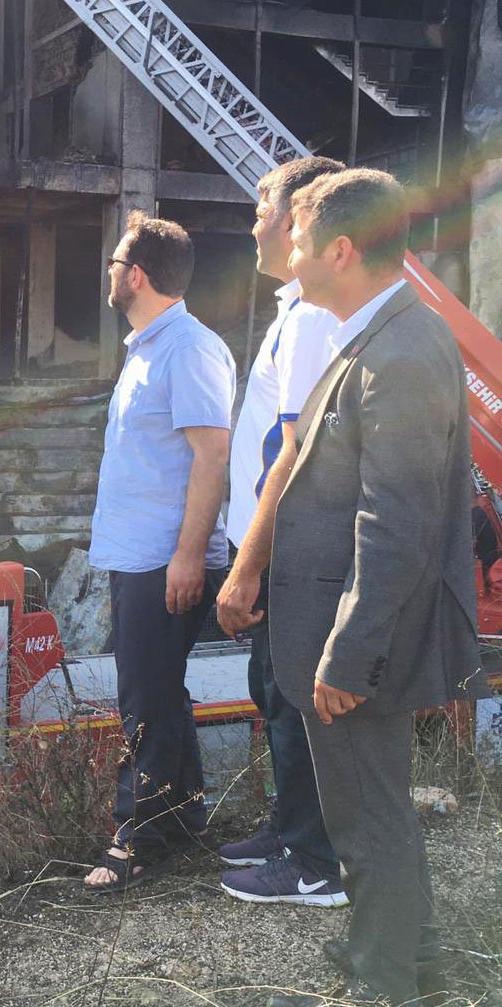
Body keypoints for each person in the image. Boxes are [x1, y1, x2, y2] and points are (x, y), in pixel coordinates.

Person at [266, 169, 488, 1006]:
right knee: (372, 806)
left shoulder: (398, 349)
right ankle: (411, 960)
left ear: (342, 249)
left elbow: (391, 525)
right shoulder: (379, 336)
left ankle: (382, 984)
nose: (288, 251)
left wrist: (348, 654)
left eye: (298, 239)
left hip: (357, 639)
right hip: (347, 630)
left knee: (369, 817)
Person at [83, 212, 236, 894]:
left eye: (116, 262)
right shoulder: (147, 346)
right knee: (160, 692)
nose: (110, 273)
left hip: (162, 558)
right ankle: (182, 821)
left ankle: (135, 840)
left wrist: (187, 555)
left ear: (136, 274)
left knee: (142, 698)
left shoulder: (188, 349)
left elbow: (213, 455)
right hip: (139, 553)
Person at [214, 156, 351, 908]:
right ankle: (290, 827)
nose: (255, 223)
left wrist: (248, 565)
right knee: (272, 692)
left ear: (298, 215)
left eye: (263, 208)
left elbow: (290, 454)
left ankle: (313, 862)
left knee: (293, 695)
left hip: (282, 547)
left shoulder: (306, 324)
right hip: (266, 542)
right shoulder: (292, 312)